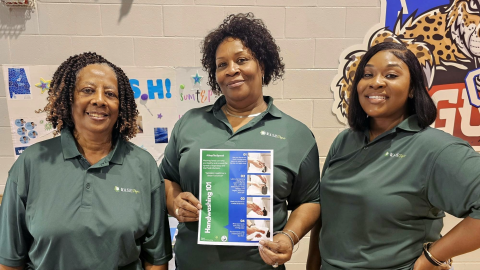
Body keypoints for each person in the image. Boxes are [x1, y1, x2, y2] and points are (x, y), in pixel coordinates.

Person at [160, 13, 320, 270]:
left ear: (263, 65)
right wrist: (175, 203)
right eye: (221, 64)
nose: (231, 70)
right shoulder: (190, 123)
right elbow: (166, 179)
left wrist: (289, 236)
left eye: (242, 60)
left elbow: (311, 200)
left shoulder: (296, 134)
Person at [307, 42, 480, 270]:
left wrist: (432, 259)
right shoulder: (345, 141)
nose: (376, 82)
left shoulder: (436, 149)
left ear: (411, 89)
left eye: (391, 75)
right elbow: (325, 217)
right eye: (367, 74)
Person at [0, 52, 172, 270]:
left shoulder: (143, 165)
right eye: (88, 90)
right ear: (68, 98)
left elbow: (156, 260)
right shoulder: (31, 163)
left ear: (121, 105)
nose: (99, 100)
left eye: (110, 93)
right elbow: (10, 261)